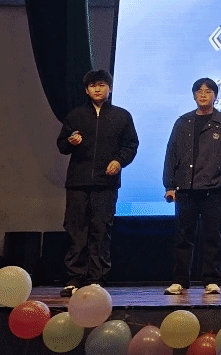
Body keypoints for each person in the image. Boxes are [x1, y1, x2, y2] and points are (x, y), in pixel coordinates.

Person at [56, 69, 140, 297]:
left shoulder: (121, 116)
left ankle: (96, 278)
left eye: (102, 85)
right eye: (93, 85)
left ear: (109, 88)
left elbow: (131, 145)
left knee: (101, 230)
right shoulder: (76, 115)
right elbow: (62, 145)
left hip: (106, 183)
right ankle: (74, 278)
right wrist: (71, 142)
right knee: (76, 229)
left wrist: (119, 161)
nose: (97, 89)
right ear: (86, 90)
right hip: (78, 182)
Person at [162, 78, 221, 295]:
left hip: (214, 188)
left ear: (216, 96)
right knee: (183, 236)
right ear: (194, 95)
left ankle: (211, 280)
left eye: (208, 91)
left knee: (213, 236)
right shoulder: (183, 122)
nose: (203, 94)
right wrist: (169, 185)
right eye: (199, 91)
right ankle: (180, 280)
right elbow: (171, 153)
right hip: (185, 188)